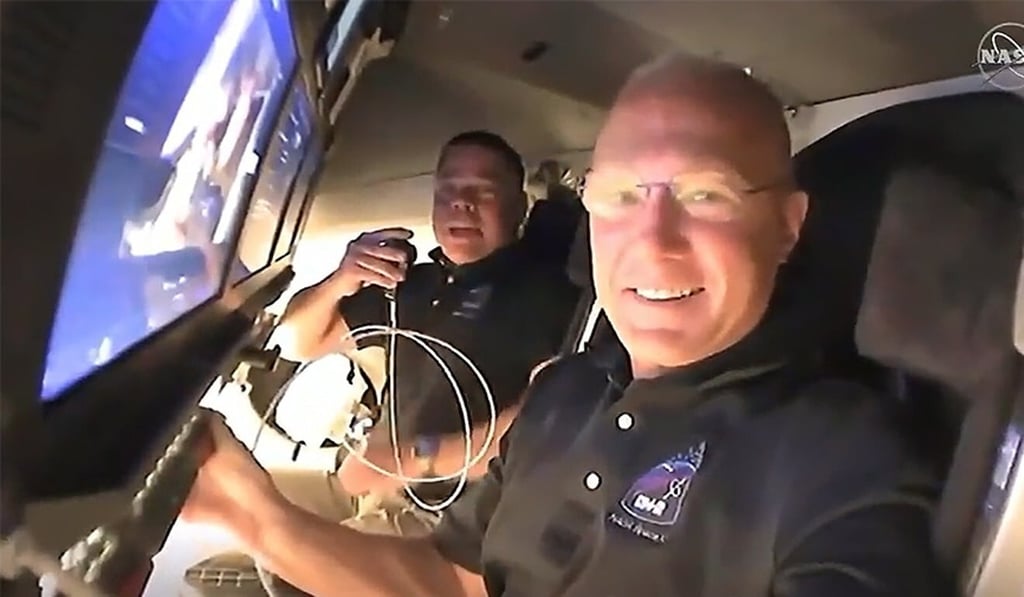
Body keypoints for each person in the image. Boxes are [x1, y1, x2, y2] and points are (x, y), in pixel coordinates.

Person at [182, 54, 942, 596]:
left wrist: (418, 457)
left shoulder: (843, 459)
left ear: (786, 226)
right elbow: (455, 581)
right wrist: (252, 515)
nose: (654, 242)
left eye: (705, 195)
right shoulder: (564, 396)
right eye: (620, 197)